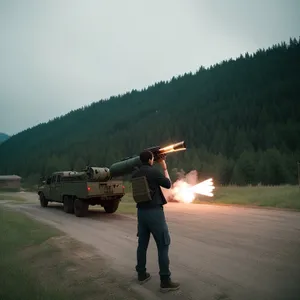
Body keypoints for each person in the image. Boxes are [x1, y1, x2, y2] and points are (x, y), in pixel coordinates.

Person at [131, 150, 180, 293]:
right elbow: (168, 184)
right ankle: (165, 281)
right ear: (151, 160)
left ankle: (141, 274)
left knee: (142, 244)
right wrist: (164, 167)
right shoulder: (153, 172)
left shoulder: (135, 174)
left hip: (141, 212)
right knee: (163, 244)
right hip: (154, 213)